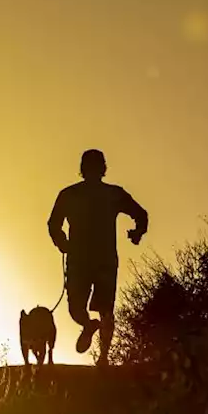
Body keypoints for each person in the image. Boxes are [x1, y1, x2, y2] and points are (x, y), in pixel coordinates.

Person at [47, 149, 148, 366]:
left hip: (85, 260)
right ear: (103, 168)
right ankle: (100, 351)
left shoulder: (72, 194)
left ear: (82, 168)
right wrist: (137, 232)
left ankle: (97, 346)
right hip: (101, 260)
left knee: (81, 308)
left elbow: (53, 225)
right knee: (103, 310)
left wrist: (63, 243)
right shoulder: (111, 194)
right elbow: (142, 215)